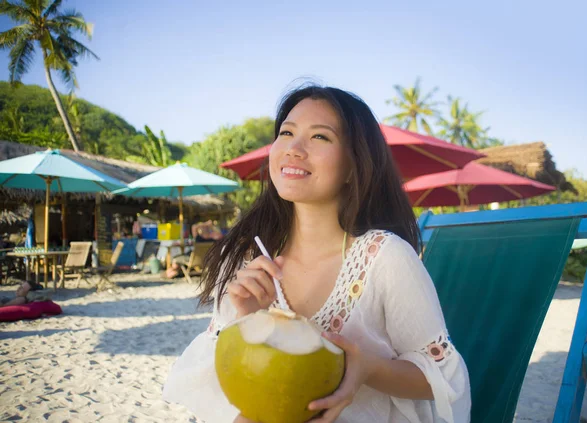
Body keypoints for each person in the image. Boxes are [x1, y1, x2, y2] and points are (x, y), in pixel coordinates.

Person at [162, 85, 471, 422]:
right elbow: (226, 385)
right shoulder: (249, 259)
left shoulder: (384, 258)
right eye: (286, 133)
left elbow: (441, 377)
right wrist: (246, 321)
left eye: (320, 137)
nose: (294, 148)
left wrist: (367, 368)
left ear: (354, 165)